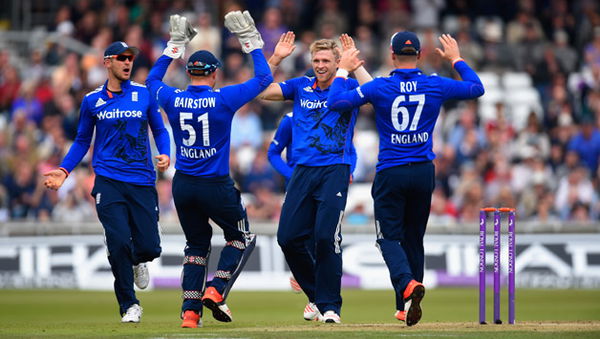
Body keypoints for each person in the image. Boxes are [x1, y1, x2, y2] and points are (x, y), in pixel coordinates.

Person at [327, 32, 485, 326]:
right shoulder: (434, 83)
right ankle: (405, 305)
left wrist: (343, 68)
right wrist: (456, 59)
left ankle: (407, 286)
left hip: (392, 171)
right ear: (421, 54)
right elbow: (476, 88)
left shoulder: (380, 87)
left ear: (391, 55)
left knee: (388, 238)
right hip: (424, 171)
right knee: (414, 239)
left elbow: (335, 102)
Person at [146, 12, 272, 328]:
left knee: (197, 246)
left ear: (189, 73)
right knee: (241, 238)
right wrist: (251, 43)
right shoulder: (224, 98)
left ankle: (190, 313)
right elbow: (263, 79)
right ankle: (215, 291)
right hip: (215, 185)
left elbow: (151, 82)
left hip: (183, 184)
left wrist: (174, 45)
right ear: (214, 74)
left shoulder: (173, 98)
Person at [43, 41, 171, 323]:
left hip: (142, 180)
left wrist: (165, 154)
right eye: (123, 58)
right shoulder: (91, 100)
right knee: (117, 242)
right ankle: (129, 305)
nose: (128, 62)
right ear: (107, 62)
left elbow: (159, 130)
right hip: (108, 179)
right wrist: (64, 171)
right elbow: (81, 141)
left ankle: (139, 259)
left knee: (150, 247)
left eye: (131, 58)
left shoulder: (144, 94)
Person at [259, 32, 368, 323]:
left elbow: (376, 92)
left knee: (325, 237)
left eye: (326, 61)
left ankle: (330, 306)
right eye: (316, 60)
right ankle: (317, 297)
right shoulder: (301, 86)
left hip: (335, 169)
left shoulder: (348, 87)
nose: (320, 65)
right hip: (303, 171)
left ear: (336, 63)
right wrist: (276, 58)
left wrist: (353, 64)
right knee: (287, 238)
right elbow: (263, 91)